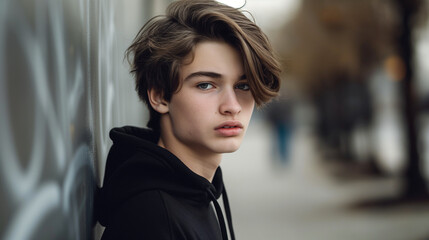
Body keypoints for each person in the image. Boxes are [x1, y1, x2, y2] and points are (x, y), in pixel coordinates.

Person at [97, 0, 280, 239]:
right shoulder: (153, 219)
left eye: (243, 85)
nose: (232, 106)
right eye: (206, 85)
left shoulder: (196, 193)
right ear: (160, 96)